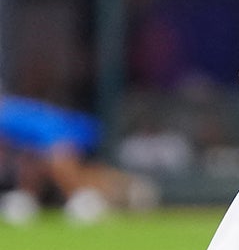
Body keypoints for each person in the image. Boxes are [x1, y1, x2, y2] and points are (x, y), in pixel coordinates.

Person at [0, 93, 158, 225]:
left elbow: (56, 142)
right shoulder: (12, 115)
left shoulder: (9, 116)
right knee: (35, 164)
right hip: (56, 138)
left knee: (60, 165)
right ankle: (125, 190)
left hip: (74, 132)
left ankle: (124, 191)